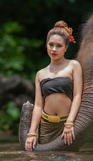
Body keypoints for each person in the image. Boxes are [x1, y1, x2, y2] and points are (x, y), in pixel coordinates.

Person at [24, 20, 83, 151]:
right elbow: (38, 105)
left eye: (59, 45)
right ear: (46, 45)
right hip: (46, 126)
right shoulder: (40, 74)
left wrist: (70, 122)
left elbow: (78, 95)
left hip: (67, 124)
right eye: (51, 45)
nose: (54, 49)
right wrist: (32, 133)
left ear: (66, 47)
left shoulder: (73, 65)